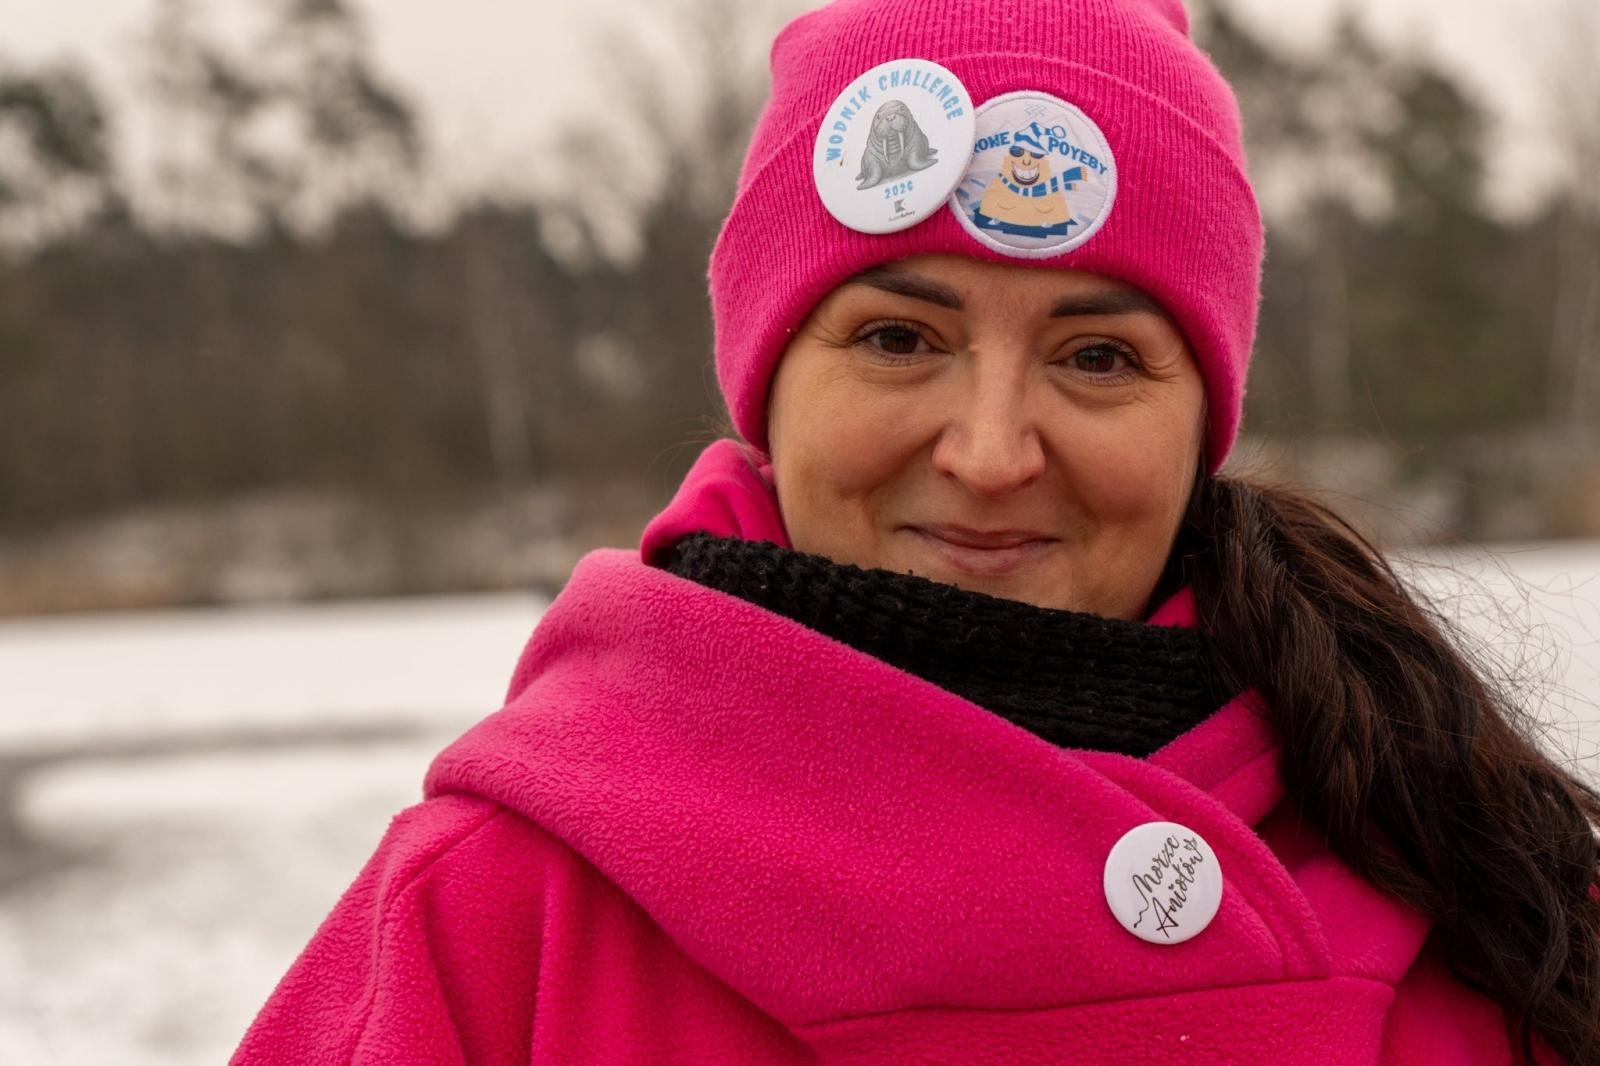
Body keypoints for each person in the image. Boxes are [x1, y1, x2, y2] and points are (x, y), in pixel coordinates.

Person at [231, 0, 1600, 1062]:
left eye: (1099, 358)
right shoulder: (499, 917)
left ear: (1204, 419)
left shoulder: (1481, 883)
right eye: (898, 338)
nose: (991, 454)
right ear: (768, 388)